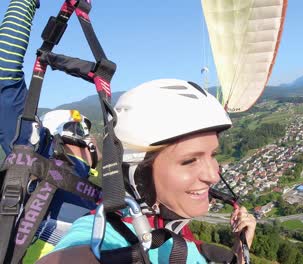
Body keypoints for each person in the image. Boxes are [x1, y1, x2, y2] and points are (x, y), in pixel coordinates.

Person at [38, 79, 256, 263]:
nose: (213, 175)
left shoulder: (171, 229)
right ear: (139, 176)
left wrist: (241, 249)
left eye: (213, 155)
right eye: (189, 161)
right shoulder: (103, 238)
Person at [0, 1, 99, 263]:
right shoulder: (38, 150)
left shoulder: (101, 190)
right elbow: (4, 74)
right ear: (79, 133)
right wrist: (24, 4)